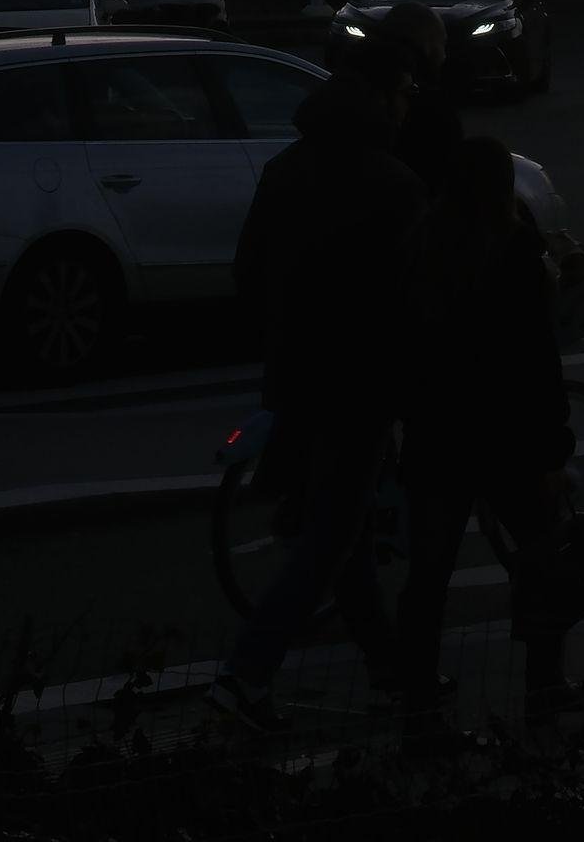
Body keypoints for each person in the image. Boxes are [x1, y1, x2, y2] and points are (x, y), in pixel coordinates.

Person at [212, 41, 424, 734]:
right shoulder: (393, 183)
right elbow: (413, 297)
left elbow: (247, 272)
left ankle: (389, 669)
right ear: (384, 103)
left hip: (294, 377)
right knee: (332, 536)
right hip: (360, 383)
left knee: (344, 531)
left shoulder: (283, 169)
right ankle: (246, 673)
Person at [394, 135, 578, 751]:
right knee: (540, 558)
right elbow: (535, 357)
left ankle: (416, 699)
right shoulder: (514, 248)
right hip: (506, 437)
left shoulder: (423, 246)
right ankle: (544, 694)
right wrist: (554, 448)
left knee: (428, 576)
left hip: (438, 436)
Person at [381, 1, 466, 196]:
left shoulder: (346, 90)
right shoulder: (430, 108)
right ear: (428, 46)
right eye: (442, 44)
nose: (445, 55)